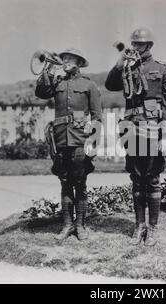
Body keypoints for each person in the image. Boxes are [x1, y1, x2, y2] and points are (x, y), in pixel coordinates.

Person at [105, 27, 166, 246]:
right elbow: (110, 85)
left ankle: (153, 229)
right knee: (137, 179)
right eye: (134, 43)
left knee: (153, 179)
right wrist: (120, 63)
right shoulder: (127, 67)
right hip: (132, 129)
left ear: (149, 46)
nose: (135, 47)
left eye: (139, 44)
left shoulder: (162, 69)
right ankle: (139, 226)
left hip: (154, 130)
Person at [36, 48, 102, 241]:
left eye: (70, 59)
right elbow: (41, 92)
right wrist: (47, 70)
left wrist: (93, 140)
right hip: (61, 139)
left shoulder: (88, 85)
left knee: (80, 182)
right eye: (63, 59)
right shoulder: (57, 82)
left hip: (81, 138)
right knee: (65, 182)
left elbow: (97, 116)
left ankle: (80, 225)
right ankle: (67, 225)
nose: (65, 62)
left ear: (79, 63)